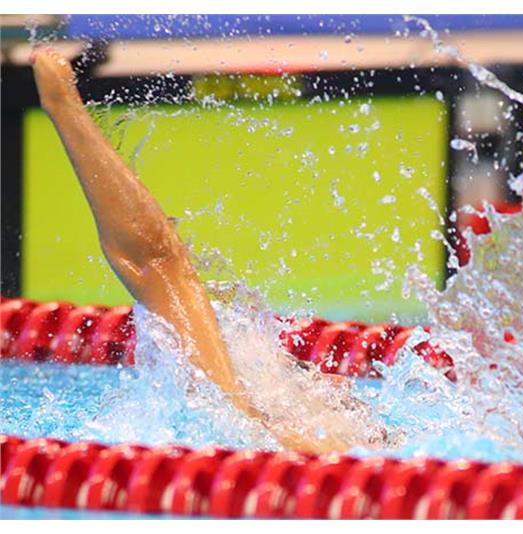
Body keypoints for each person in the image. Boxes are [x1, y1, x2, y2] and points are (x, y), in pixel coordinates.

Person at [31, 49, 386, 454]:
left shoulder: (245, 428)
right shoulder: (273, 436)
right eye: (309, 373)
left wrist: (64, 107)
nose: (339, 380)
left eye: (307, 372)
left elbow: (157, 262)